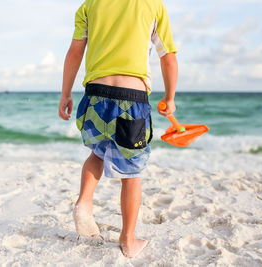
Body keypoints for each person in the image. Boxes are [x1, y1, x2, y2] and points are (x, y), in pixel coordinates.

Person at [58, 0, 178, 258]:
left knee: (98, 153)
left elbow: (75, 52)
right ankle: (128, 239)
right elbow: (167, 56)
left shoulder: (90, 5)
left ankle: (84, 203)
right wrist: (170, 97)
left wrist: (65, 93)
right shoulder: (153, 5)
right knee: (132, 173)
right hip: (131, 98)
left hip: (94, 95)